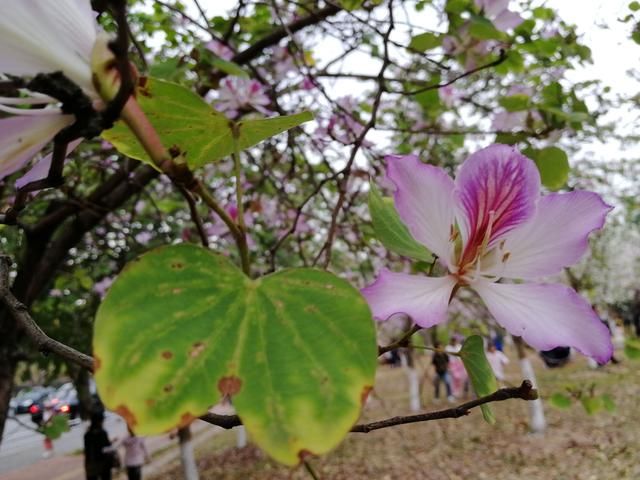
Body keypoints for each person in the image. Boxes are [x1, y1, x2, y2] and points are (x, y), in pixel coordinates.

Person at [84, 411, 113, 480]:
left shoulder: (87, 434)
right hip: (103, 463)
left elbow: (87, 450)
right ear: (100, 421)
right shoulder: (102, 433)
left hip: (91, 463)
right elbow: (106, 447)